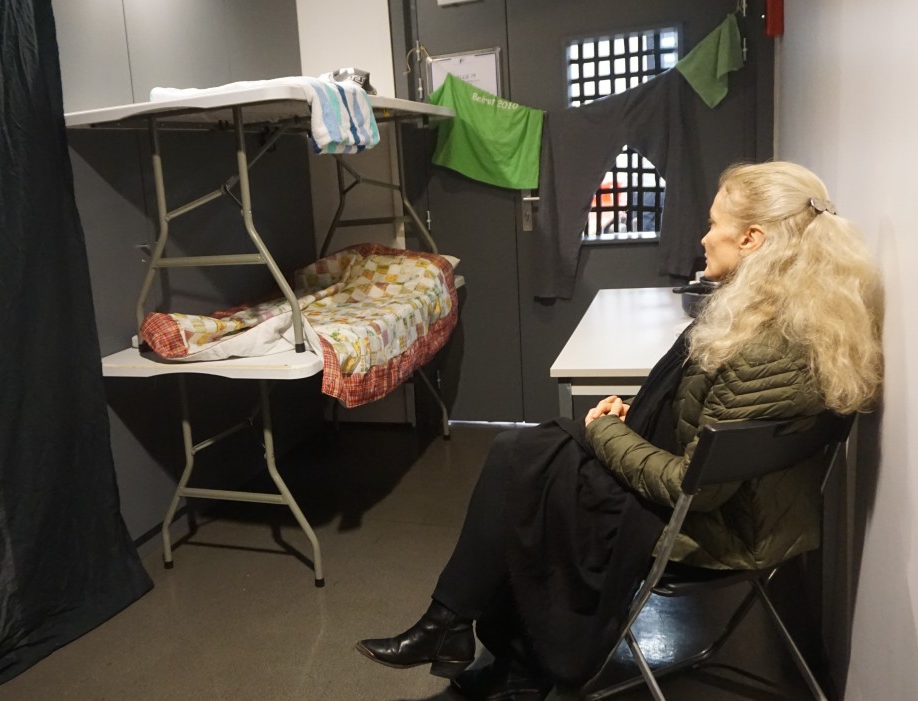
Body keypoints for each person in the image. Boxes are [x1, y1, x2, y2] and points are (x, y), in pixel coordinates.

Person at [354, 161, 884, 700]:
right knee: (530, 457)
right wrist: (635, 416)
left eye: (712, 224)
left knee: (527, 471)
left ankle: (468, 635)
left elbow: (692, 488)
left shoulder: (765, 350)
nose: (703, 238)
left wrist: (607, 429)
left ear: (751, 238)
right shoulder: (790, 318)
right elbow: (711, 428)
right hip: (734, 501)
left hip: (722, 528)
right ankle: (467, 635)